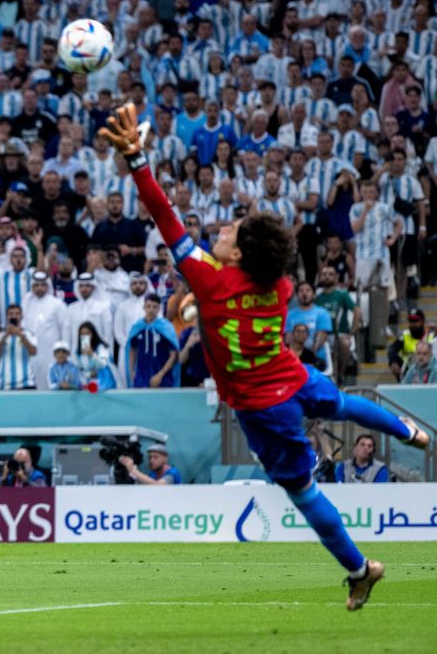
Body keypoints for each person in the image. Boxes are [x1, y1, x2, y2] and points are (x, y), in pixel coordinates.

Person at [100, 103, 426, 610]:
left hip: (260, 406)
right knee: (340, 403)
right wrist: (197, 305)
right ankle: (410, 431)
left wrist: (139, 163)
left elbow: (165, 218)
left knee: (302, 493)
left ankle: (361, 569)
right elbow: (225, 295)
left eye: (228, 232)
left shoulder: (209, 279)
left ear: (235, 255)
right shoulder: (277, 284)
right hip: (291, 375)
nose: (221, 230)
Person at [125, 293, 179, 388]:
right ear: (144, 307)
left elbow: (173, 355)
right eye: (148, 306)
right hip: (141, 377)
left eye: (154, 307)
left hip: (162, 376)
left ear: (159, 309)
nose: (151, 310)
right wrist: (132, 372)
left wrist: (160, 374)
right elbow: (132, 351)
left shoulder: (165, 328)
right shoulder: (137, 327)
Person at [0, 303, 37, 390]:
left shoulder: (29, 334)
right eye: (10, 314)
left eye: (17, 313)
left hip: (26, 383)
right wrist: (6, 335)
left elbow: (33, 352)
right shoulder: (0, 335)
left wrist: (21, 335)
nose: (14, 316)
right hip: (4, 384)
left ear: (21, 316)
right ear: (7, 316)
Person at [387, 308, 436, 382]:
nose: (413, 324)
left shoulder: (431, 335)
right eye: (411, 321)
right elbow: (392, 349)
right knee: (393, 361)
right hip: (410, 368)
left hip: (429, 368)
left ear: (422, 321)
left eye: (416, 321)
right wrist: (394, 362)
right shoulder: (405, 335)